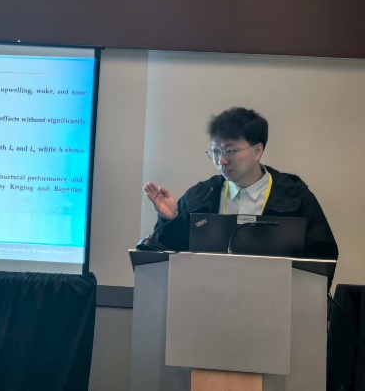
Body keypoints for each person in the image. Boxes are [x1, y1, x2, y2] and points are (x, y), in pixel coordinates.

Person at [142, 107, 338, 288]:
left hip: (277, 301)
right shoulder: (202, 194)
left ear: (257, 151)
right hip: (210, 298)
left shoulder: (295, 195)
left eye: (230, 151)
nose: (221, 160)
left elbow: (322, 257)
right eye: (216, 151)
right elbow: (171, 256)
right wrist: (171, 219)